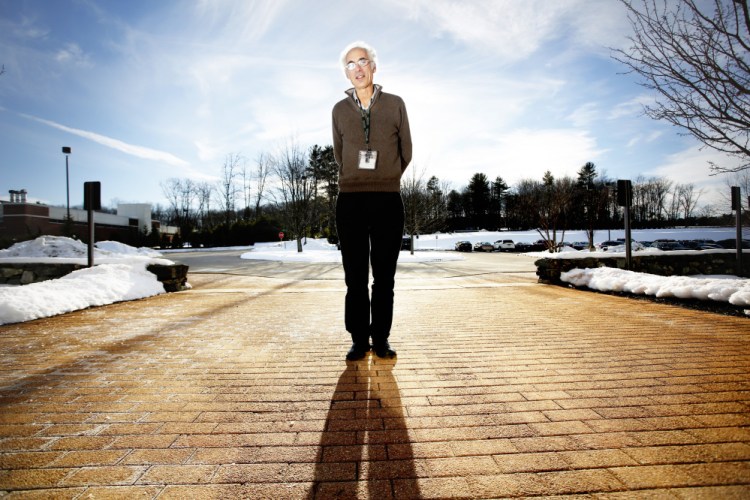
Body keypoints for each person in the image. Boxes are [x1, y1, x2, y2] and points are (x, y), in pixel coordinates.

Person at [332, 41, 412, 361]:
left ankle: (380, 338)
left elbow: (406, 149)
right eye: (350, 64)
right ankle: (358, 340)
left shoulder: (395, 104)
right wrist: (354, 175)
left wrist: (388, 177)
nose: (358, 68)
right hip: (350, 200)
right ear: (347, 73)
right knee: (355, 278)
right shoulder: (338, 110)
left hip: (387, 200)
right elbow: (340, 154)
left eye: (363, 61)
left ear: (374, 67)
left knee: (384, 278)